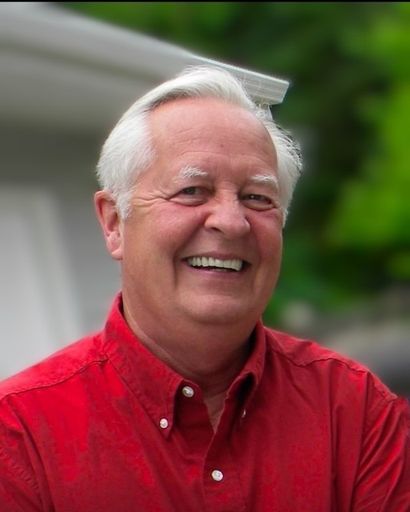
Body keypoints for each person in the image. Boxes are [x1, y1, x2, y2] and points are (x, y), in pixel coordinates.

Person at [0, 66, 408, 512]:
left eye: (257, 198)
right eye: (193, 190)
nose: (231, 222)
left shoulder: (356, 411)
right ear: (115, 223)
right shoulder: (19, 438)